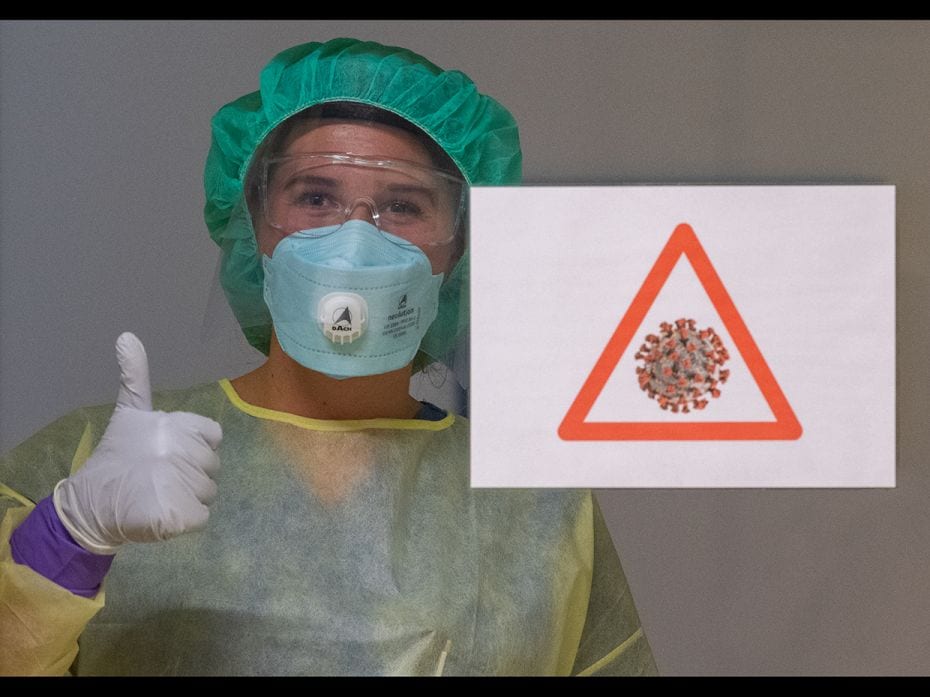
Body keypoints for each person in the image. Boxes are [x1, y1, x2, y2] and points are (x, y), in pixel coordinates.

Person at [0, 37, 657, 676]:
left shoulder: (538, 509)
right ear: (254, 221)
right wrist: (67, 537)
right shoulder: (93, 461)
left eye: (403, 206)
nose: (354, 242)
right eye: (315, 198)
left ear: (458, 247)